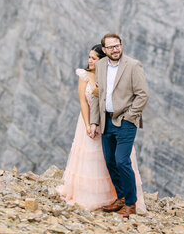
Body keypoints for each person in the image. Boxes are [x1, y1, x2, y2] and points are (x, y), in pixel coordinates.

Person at [57, 44, 146, 212]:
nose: (90, 61)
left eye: (94, 58)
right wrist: (88, 124)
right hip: (88, 120)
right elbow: (83, 102)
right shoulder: (84, 76)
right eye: (89, 57)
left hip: (109, 121)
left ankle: (120, 197)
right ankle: (91, 196)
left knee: (112, 159)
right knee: (92, 159)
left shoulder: (110, 76)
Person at [89, 33, 149, 218]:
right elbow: (97, 94)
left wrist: (129, 117)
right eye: (111, 47)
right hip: (106, 121)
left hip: (125, 122)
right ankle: (121, 197)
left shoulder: (133, 65)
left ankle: (131, 204)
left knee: (122, 161)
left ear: (121, 46)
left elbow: (143, 95)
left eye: (118, 46)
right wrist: (94, 121)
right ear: (104, 50)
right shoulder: (100, 65)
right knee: (110, 161)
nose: (115, 50)